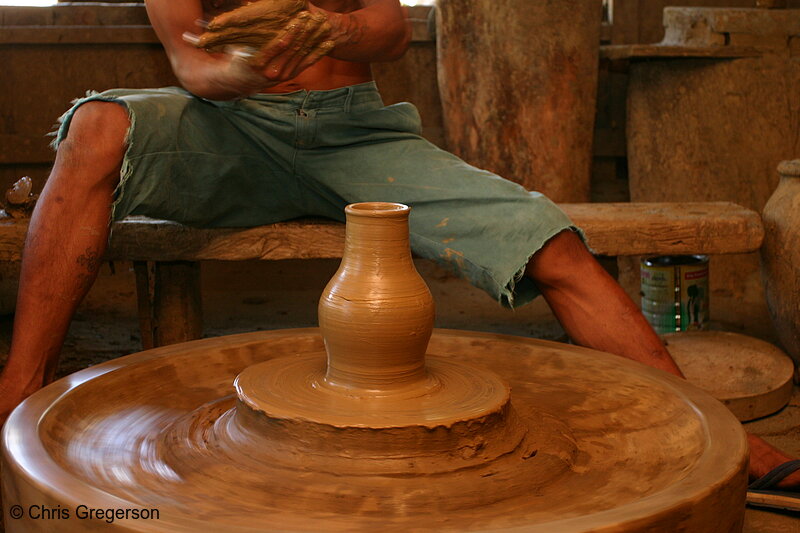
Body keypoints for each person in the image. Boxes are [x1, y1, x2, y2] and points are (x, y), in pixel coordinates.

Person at [0, 0, 797, 491]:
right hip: (229, 130)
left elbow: (388, 29)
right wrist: (243, 66)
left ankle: (727, 438)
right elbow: (189, 65)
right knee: (97, 124)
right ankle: (18, 388)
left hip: (355, 130)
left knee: (546, 237)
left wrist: (332, 27)